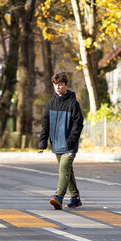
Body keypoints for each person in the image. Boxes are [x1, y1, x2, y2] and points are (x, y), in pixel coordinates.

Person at [37, 71, 84, 209]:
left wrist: (71, 140)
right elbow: (45, 124)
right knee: (67, 172)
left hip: (69, 145)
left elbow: (78, 124)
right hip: (56, 145)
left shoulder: (73, 104)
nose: (58, 87)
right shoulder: (51, 104)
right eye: (55, 85)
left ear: (66, 85)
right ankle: (75, 198)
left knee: (64, 169)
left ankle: (58, 197)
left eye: (61, 85)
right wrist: (42, 143)